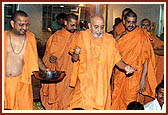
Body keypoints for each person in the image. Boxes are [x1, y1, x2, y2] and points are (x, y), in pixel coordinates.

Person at [68, 15, 135, 110]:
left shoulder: (110, 40)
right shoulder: (82, 37)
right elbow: (74, 59)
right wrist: (76, 53)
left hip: (101, 86)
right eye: (96, 27)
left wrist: (126, 67)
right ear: (89, 26)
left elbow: (117, 60)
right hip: (84, 85)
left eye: (102, 27)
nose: (99, 30)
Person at [111, 11, 157, 110]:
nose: (131, 25)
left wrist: (143, 80)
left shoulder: (141, 36)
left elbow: (146, 59)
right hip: (119, 74)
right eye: (128, 22)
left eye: (133, 22)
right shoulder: (120, 37)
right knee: (116, 98)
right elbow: (113, 54)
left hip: (135, 75)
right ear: (124, 21)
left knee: (131, 101)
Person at [40, 13, 80, 110]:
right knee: (55, 95)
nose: (74, 28)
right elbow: (47, 55)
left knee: (68, 99)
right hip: (57, 72)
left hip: (71, 73)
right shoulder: (56, 36)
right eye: (72, 25)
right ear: (65, 23)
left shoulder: (79, 36)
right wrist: (50, 59)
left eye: (76, 25)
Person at [4, 10, 39, 110]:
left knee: (25, 107)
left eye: (27, 25)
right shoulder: (3, 37)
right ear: (12, 23)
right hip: (7, 82)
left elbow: (35, 56)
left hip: (24, 82)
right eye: (21, 25)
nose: (24, 28)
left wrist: (45, 69)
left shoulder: (31, 37)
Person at [141, 18, 164, 84]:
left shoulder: (154, 38)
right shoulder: (136, 37)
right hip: (139, 68)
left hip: (152, 68)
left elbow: (163, 49)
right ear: (140, 27)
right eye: (143, 25)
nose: (145, 27)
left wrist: (151, 50)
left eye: (147, 25)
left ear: (150, 27)